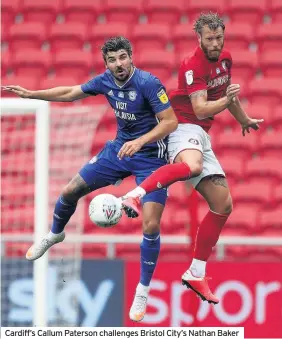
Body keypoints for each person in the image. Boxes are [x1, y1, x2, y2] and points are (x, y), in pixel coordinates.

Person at [2, 36, 178, 322]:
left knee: (151, 223)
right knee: (71, 190)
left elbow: (170, 122)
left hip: (151, 158)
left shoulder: (148, 83)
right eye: (112, 60)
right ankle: (55, 233)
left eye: (123, 57)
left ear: (131, 57)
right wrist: (32, 94)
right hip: (119, 150)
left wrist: (141, 141)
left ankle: (143, 291)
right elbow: (71, 92)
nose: (118, 64)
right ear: (106, 64)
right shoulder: (105, 81)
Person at [122, 13, 264, 304]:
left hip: (202, 133)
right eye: (209, 38)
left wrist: (244, 119)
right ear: (198, 38)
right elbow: (200, 109)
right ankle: (136, 195)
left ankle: (196, 272)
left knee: (223, 204)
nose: (214, 43)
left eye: (219, 37)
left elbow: (227, 96)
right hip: (183, 126)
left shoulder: (225, 60)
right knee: (193, 166)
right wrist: (227, 100)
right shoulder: (192, 64)